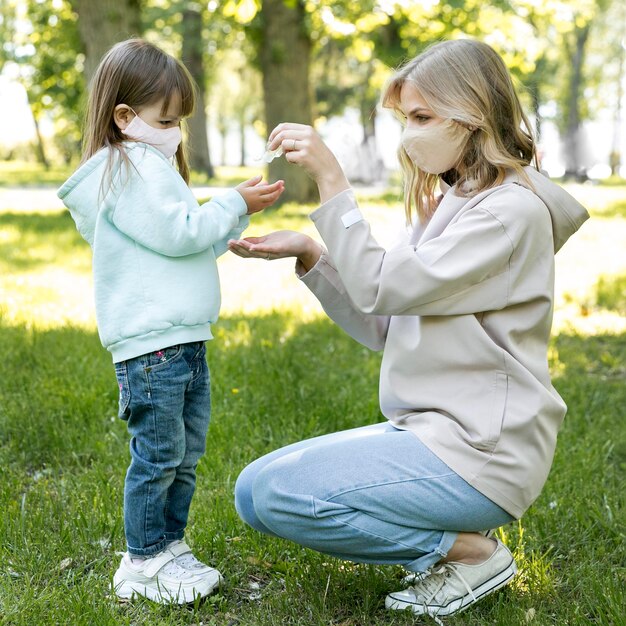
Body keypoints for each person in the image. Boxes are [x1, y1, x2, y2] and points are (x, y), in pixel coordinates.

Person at [229, 38, 589, 618]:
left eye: (422, 117)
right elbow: (384, 324)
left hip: (480, 452)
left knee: (279, 493)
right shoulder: (458, 200)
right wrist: (311, 255)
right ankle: (459, 549)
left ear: (472, 115)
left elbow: (378, 286)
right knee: (256, 489)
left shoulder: (507, 214)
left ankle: (467, 554)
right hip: (431, 434)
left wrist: (331, 181)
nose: (408, 135)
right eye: (404, 118)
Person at [57, 38, 284, 604]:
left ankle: (168, 544)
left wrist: (226, 236)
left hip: (182, 341)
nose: (176, 131)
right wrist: (232, 204)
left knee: (183, 454)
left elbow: (181, 246)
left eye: (180, 120)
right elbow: (180, 232)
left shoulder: (148, 165)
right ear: (125, 117)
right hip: (155, 347)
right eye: (167, 119)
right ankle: (143, 560)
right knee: (158, 456)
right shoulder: (130, 167)